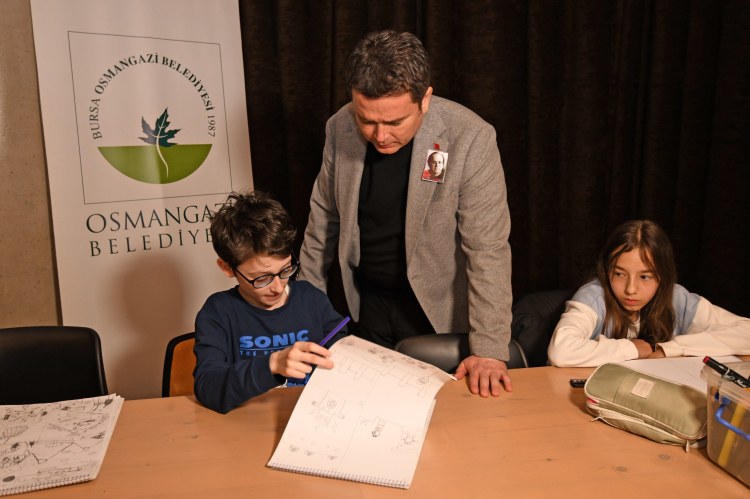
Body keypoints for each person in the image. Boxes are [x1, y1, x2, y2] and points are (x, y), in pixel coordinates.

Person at [299, 30, 513, 397]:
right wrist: (303, 316)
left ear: (425, 99)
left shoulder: (470, 137)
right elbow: (322, 224)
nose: (380, 136)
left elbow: (487, 249)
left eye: (395, 122)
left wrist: (489, 350)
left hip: (436, 312)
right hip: (369, 305)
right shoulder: (340, 126)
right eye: (367, 120)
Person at [193, 192, 348, 414]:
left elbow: (342, 354)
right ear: (227, 268)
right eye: (262, 278)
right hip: (246, 423)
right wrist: (272, 364)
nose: (277, 287)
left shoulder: (312, 299)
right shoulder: (218, 312)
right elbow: (208, 387)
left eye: (286, 270)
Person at [547, 220, 750, 367]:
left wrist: (669, 350)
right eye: (619, 274)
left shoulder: (677, 298)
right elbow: (561, 351)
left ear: (663, 276)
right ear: (606, 270)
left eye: (645, 277)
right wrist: (633, 348)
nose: (631, 289)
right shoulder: (594, 297)